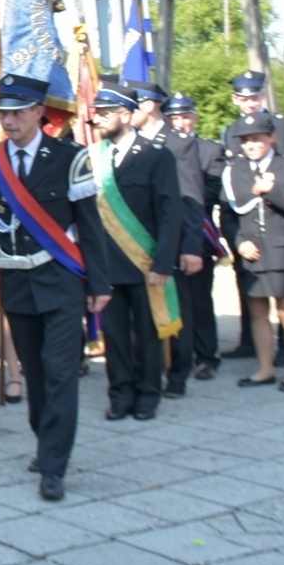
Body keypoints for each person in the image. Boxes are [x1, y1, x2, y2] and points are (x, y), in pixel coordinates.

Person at [0, 74, 111, 501]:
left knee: (60, 373)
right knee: (34, 373)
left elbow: (90, 225)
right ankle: (45, 441)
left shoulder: (70, 157)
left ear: (38, 112)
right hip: (16, 283)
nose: (8, 121)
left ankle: (53, 466)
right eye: (3, 113)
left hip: (62, 280)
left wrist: (99, 283)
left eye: (17, 113)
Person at [89, 81, 183, 422]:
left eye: (105, 113)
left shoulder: (156, 156)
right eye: (97, 113)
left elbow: (170, 213)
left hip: (144, 263)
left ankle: (148, 393)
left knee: (146, 333)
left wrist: (163, 262)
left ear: (126, 115)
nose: (98, 119)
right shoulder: (93, 158)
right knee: (114, 337)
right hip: (107, 265)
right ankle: (120, 394)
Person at [126, 82, 208, 398]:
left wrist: (190, 247)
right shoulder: (129, 142)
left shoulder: (178, 143)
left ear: (149, 105)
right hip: (135, 243)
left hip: (169, 242)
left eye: (132, 105)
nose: (127, 112)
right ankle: (146, 370)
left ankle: (177, 375)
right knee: (141, 315)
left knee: (175, 309)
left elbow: (190, 198)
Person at [220, 113, 284, 390]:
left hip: (280, 249)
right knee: (258, 312)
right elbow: (227, 215)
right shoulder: (234, 171)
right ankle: (264, 369)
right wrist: (239, 242)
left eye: (256, 139)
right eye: (245, 140)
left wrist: (272, 190)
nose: (250, 145)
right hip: (251, 251)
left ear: (271, 138)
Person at [220, 70, 284, 364]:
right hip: (243, 214)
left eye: (254, 97)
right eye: (244, 98)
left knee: (282, 292)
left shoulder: (281, 124)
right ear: (235, 99)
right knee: (247, 283)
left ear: (262, 96)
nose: (250, 102)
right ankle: (249, 341)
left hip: (272, 213)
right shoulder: (231, 130)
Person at [166, 93, 225, 380]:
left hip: (198, 233)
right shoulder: (161, 147)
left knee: (199, 300)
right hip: (168, 235)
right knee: (173, 300)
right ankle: (178, 355)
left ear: (195, 118)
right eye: (174, 118)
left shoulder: (210, 150)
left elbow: (213, 190)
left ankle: (207, 356)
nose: (180, 123)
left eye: (185, 117)